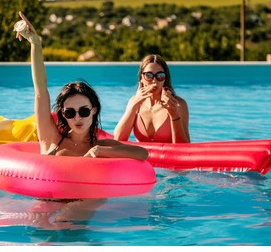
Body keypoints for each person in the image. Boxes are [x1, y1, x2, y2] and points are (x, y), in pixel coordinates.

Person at [15, 11, 148, 160]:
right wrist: (35, 43)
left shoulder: (102, 145)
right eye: (70, 113)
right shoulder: (52, 139)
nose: (78, 118)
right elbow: (40, 91)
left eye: (84, 111)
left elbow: (142, 153)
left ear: (94, 110)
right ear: (64, 115)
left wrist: (100, 151)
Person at [114, 55, 190, 143]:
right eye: (149, 75)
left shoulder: (178, 105)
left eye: (160, 76)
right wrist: (134, 106)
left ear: (165, 79)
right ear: (141, 78)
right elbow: (117, 140)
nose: (154, 81)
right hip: (141, 156)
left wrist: (174, 114)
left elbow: (184, 148)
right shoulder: (134, 102)